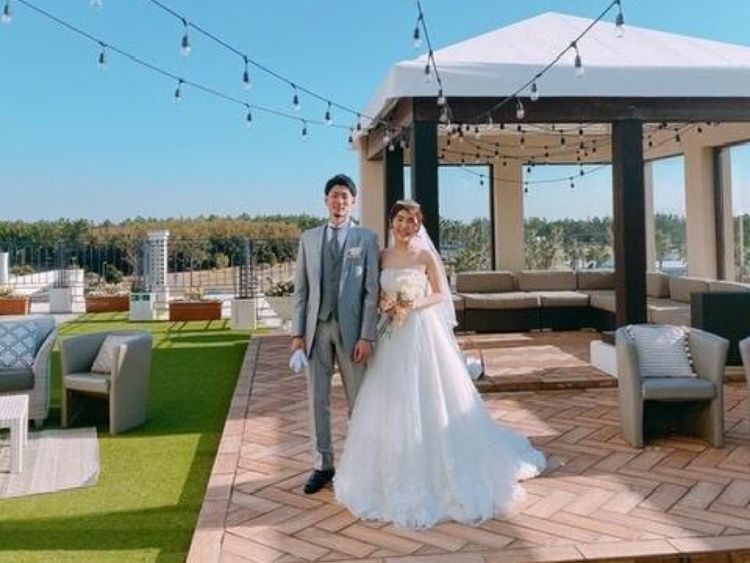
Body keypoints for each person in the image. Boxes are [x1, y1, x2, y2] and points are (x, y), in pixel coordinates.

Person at [334, 200, 546, 528]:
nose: (405, 226)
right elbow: (371, 293)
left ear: (418, 226)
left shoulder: (425, 256)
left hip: (421, 330)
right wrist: (386, 303)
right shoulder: (381, 256)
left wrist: (413, 303)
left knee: (429, 391)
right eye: (400, 219)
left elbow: (439, 294)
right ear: (391, 222)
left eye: (412, 221)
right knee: (392, 398)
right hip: (391, 334)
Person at [291, 173, 380, 494]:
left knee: (359, 400)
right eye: (334, 196)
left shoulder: (366, 239)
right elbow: (301, 291)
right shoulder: (309, 238)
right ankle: (322, 465)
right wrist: (297, 334)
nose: (339, 201)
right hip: (316, 330)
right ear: (326, 200)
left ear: (352, 201)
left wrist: (367, 336)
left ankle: (361, 463)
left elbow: (371, 292)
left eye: (345, 196)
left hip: (353, 333)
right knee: (318, 400)